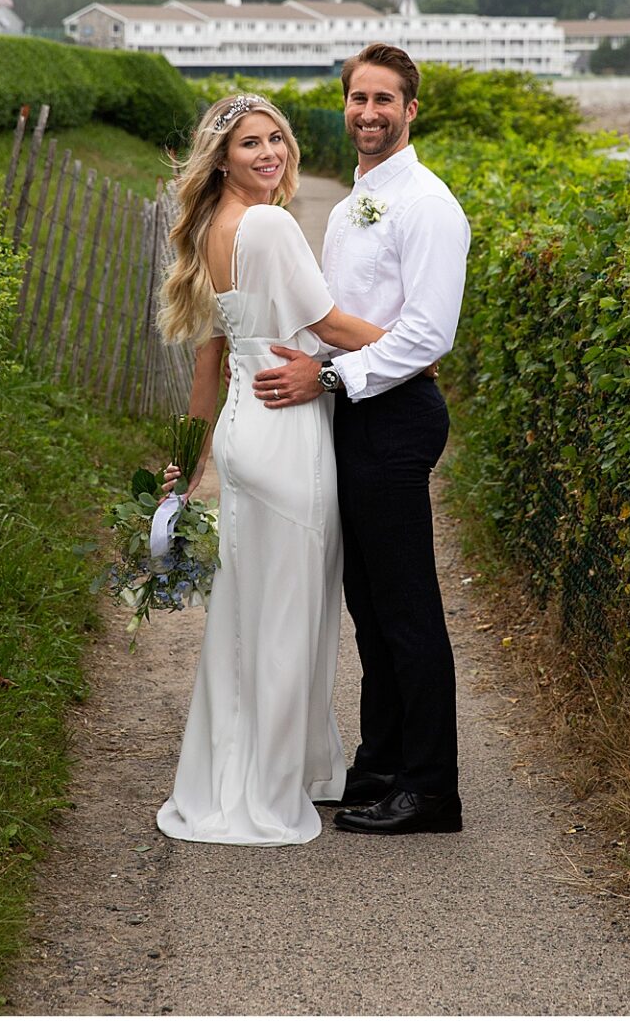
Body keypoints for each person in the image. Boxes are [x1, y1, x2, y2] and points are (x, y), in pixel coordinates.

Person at [151, 93, 392, 846]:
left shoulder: (210, 230)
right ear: (222, 158)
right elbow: (330, 326)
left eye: (276, 140)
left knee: (248, 612)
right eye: (251, 143)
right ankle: (270, 785)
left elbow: (208, 365)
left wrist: (188, 465)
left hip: (241, 430)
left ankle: (276, 768)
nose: (271, 154)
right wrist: (413, 351)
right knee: (290, 616)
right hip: (286, 431)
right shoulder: (268, 224)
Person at [251, 43, 470, 836]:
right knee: (369, 604)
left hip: (397, 413)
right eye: (358, 98)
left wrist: (329, 376)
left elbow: (428, 334)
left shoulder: (429, 206)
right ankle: (380, 763)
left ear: (411, 110)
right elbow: (337, 315)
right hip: (355, 411)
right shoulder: (349, 208)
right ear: (344, 106)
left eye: (384, 100)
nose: (369, 112)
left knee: (406, 606)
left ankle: (431, 789)